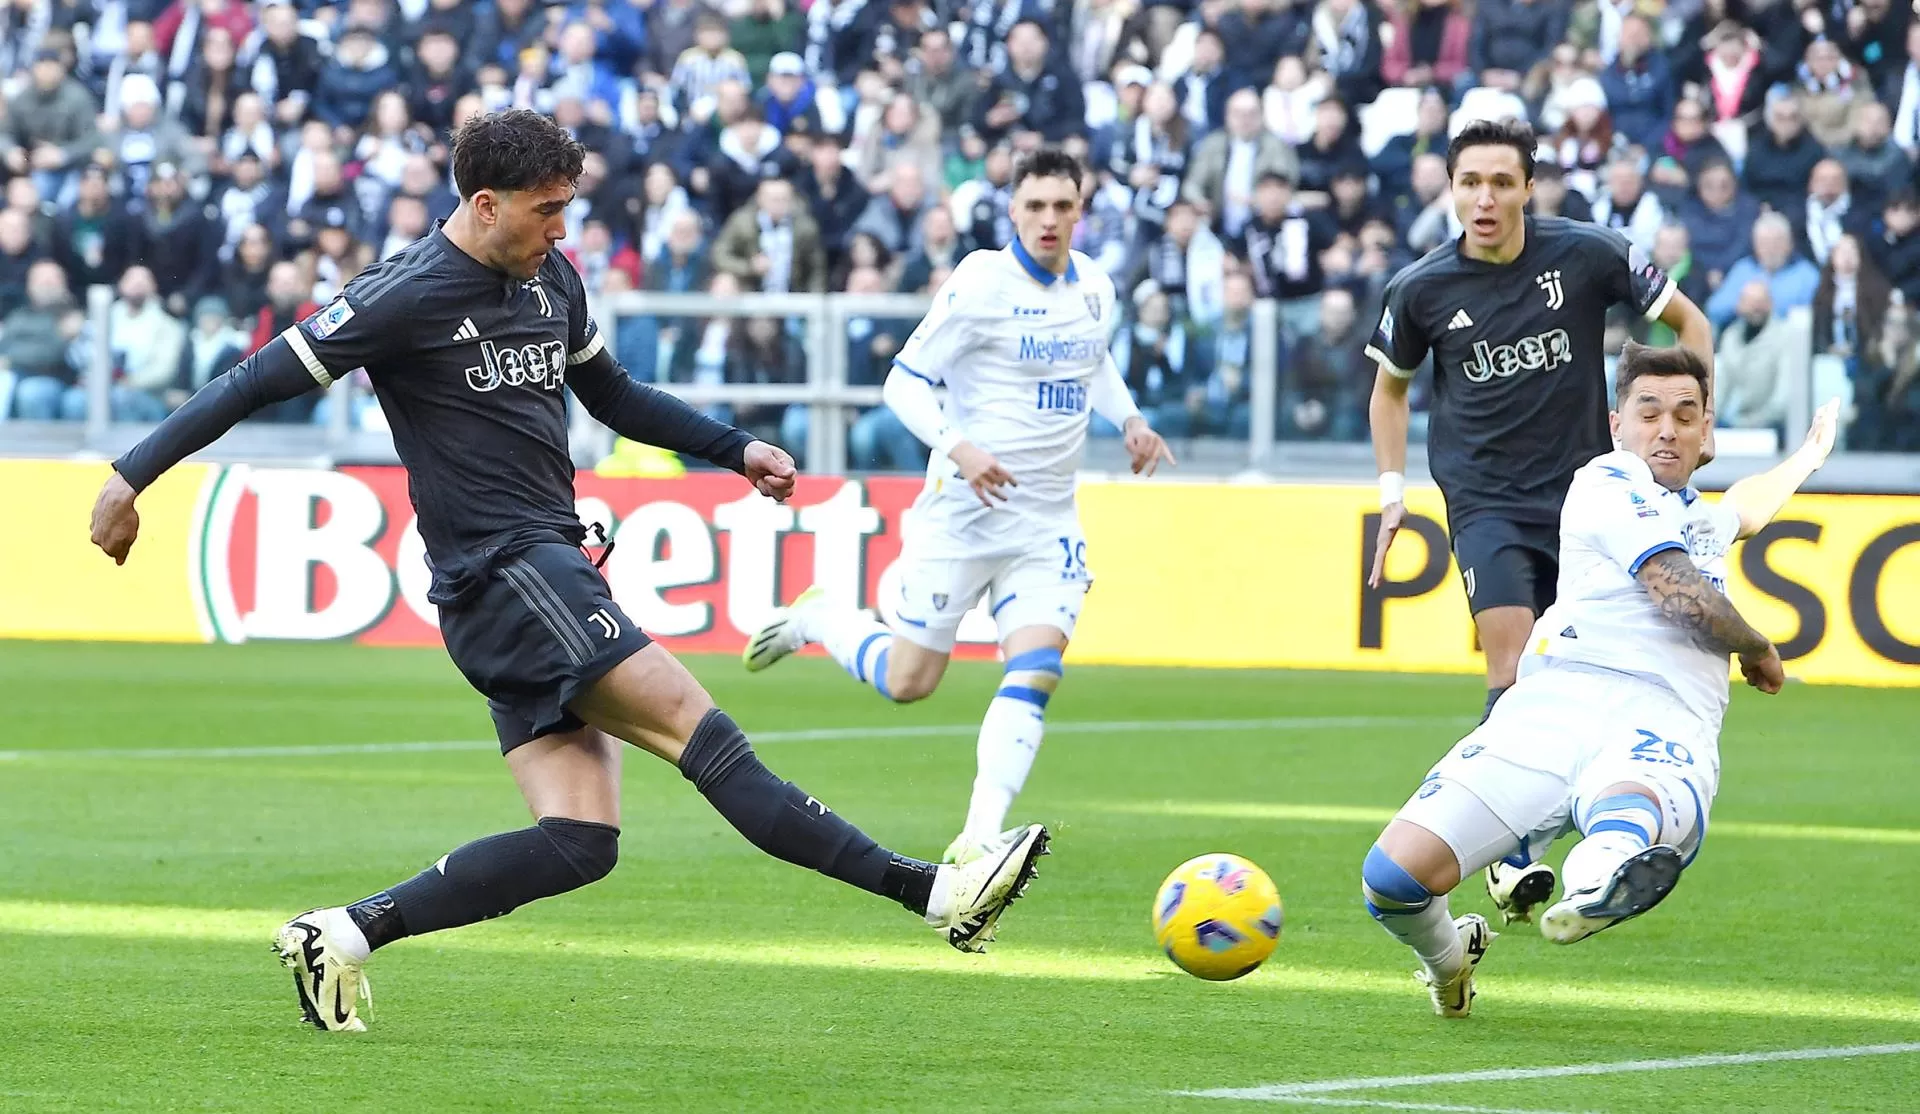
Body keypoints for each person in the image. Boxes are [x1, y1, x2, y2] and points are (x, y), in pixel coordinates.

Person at [85, 110, 1050, 1034]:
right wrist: (133, 478)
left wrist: (734, 449)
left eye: (566, 208)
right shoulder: (400, 296)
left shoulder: (554, 280)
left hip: (535, 575)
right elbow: (252, 380)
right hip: (508, 574)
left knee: (580, 842)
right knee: (704, 736)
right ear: (484, 202)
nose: (561, 227)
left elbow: (615, 394)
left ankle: (341, 933)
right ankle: (932, 892)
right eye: (545, 209)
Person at [1360, 343, 1837, 1017]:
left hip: (1663, 713)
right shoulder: (1607, 481)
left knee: (1626, 803)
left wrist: (1809, 456)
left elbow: (1746, 507)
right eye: (1649, 412)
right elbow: (1675, 590)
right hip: (1552, 703)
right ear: (1617, 424)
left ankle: (1599, 880)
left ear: (1708, 435)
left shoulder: (1702, 516)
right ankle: (1450, 959)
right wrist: (1757, 649)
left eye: (1684, 414)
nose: (1665, 428)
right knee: (1391, 880)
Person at [740, 147, 1174, 865]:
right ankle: (820, 617)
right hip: (963, 514)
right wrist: (960, 445)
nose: (1048, 220)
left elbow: (1093, 360)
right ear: (1012, 210)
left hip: (1047, 523)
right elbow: (903, 383)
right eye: (1034, 206)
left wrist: (1128, 419)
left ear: (1080, 211)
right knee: (910, 681)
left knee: (1037, 667)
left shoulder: (1095, 286)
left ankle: (977, 838)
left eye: (1063, 206)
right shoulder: (980, 283)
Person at [1364, 119, 1716, 922]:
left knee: (1579, 665)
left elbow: (1689, 324)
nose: (1483, 198)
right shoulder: (1420, 289)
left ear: (1529, 186)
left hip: (1587, 502)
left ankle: (1547, 821)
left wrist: (1700, 422)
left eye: (1499, 182)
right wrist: (1393, 491)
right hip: (1485, 499)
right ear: (1450, 190)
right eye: (1468, 184)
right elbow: (1390, 388)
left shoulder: (1588, 253)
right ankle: (1512, 848)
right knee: (1513, 656)